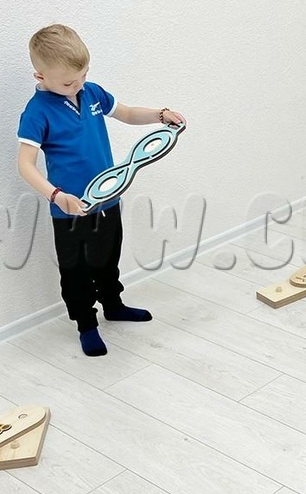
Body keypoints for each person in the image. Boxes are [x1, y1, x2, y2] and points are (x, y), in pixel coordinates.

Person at [16, 24, 185, 357]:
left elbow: (126, 113)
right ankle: (86, 324)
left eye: (83, 76)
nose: (77, 85)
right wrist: (56, 196)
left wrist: (160, 115)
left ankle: (113, 304)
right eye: (68, 82)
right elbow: (25, 165)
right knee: (76, 271)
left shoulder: (92, 93)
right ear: (40, 77)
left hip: (109, 197)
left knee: (108, 258)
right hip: (72, 209)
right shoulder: (36, 113)